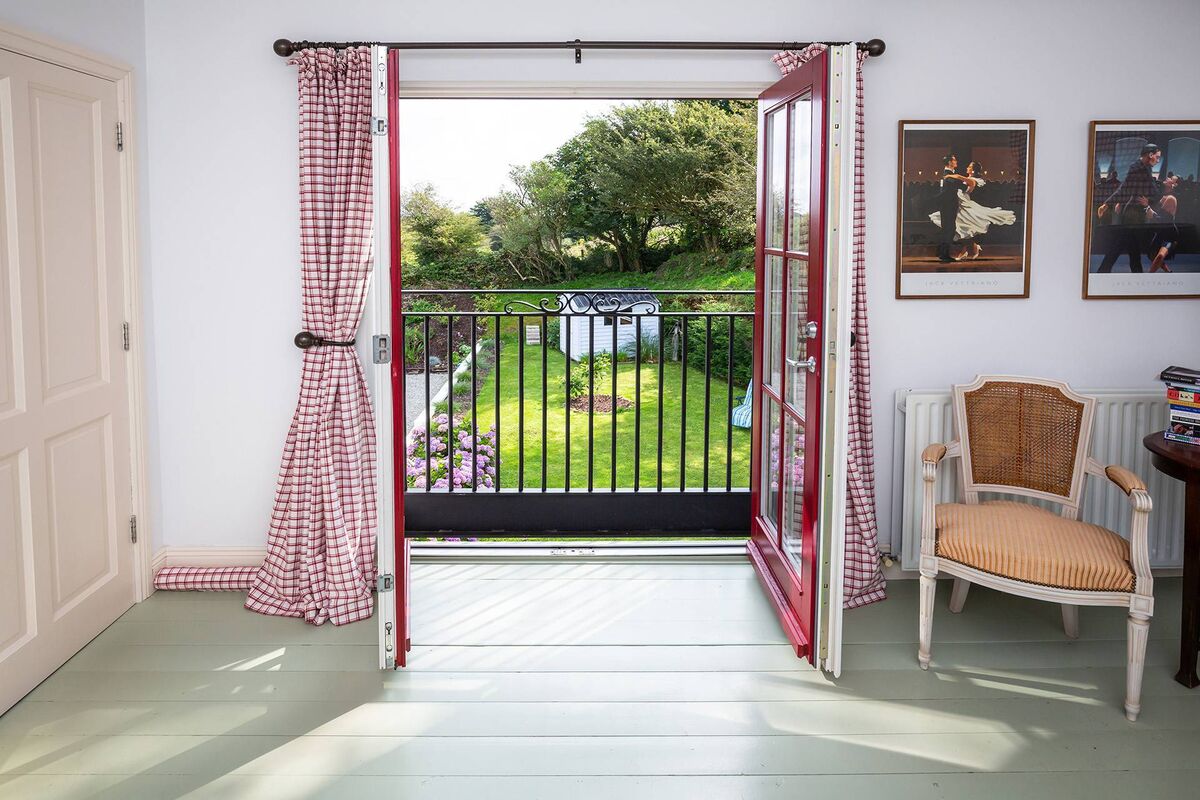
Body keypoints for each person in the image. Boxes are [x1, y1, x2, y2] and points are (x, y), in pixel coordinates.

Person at [1095, 144, 1163, 273]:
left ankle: (1105, 270)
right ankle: (1107, 270)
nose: (1158, 160)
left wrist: (1108, 204)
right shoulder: (1140, 169)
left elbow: (1127, 190)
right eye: (1157, 157)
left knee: (1129, 247)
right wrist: (1107, 204)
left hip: (1133, 214)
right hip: (1134, 215)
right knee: (1127, 246)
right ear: (1150, 155)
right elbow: (1126, 189)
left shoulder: (1141, 167)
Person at [928, 161, 1017, 260]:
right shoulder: (967, 178)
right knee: (961, 229)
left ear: (973, 170)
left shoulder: (973, 180)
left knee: (960, 228)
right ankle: (969, 249)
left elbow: (970, 184)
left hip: (965, 204)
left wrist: (956, 176)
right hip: (959, 203)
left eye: (969, 166)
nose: (967, 167)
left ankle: (969, 249)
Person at [933, 155, 966, 262]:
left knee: (947, 229)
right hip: (948, 206)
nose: (956, 161)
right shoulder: (948, 175)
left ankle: (943, 253)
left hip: (946, 206)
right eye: (954, 160)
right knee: (949, 229)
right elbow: (961, 186)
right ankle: (944, 254)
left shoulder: (947, 175)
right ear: (949, 162)